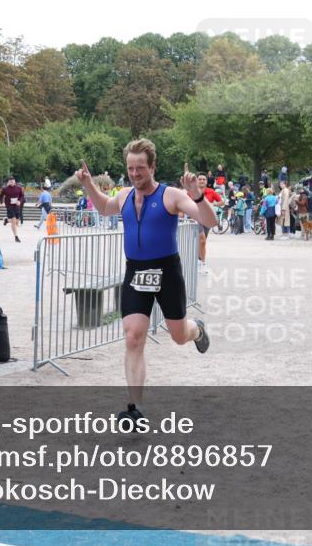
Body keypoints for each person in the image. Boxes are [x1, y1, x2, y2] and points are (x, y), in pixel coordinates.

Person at [76, 139, 216, 427]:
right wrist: (88, 184)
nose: (135, 173)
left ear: (153, 166)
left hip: (167, 271)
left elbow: (209, 221)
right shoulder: (126, 195)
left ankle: (196, 329)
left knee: (178, 336)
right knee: (133, 336)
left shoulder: (172, 196)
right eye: (130, 167)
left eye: (141, 167)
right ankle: (135, 408)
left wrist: (198, 196)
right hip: (136, 271)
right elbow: (104, 208)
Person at [196, 174, 223, 273]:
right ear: (197, 180)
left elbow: (221, 202)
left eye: (204, 179)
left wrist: (214, 203)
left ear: (206, 182)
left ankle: (199, 261)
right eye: (200, 179)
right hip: (195, 218)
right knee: (201, 239)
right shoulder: (192, 192)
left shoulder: (211, 191)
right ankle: (202, 263)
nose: (202, 181)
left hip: (207, 220)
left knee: (202, 242)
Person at [0, 176, 25, 242]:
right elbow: (1, 196)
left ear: (15, 181)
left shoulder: (19, 188)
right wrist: (2, 202)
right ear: (8, 182)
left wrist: (19, 201)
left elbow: (21, 195)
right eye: (10, 181)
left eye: (13, 180)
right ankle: (16, 236)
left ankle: (7, 220)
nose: (11, 182)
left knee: (17, 222)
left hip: (16, 206)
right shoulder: (5, 189)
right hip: (9, 206)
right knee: (13, 220)